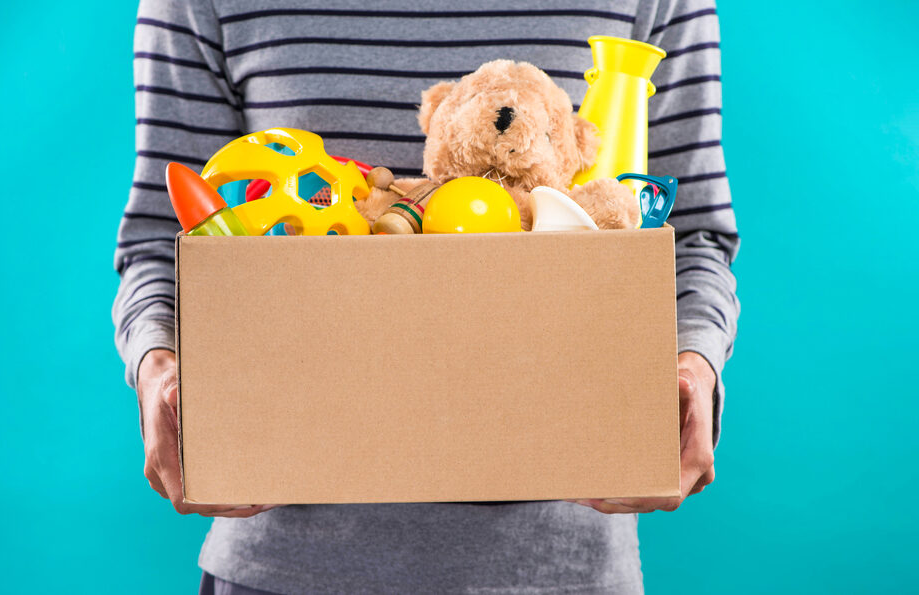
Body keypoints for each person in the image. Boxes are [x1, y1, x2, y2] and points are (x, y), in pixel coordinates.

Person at [113, 1, 738, 592]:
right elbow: (164, 241)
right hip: (283, 563)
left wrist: (695, 364)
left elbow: (691, 231)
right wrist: (158, 368)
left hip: (564, 564)